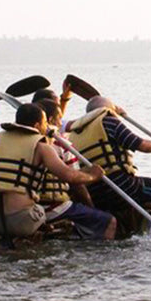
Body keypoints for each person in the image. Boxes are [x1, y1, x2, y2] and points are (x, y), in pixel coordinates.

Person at [67, 96, 151, 225]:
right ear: (107, 109)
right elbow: (141, 145)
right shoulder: (108, 121)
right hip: (122, 185)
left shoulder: (74, 134)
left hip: (96, 194)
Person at [0, 104, 104, 238]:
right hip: (21, 221)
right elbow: (69, 176)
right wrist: (93, 175)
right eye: (45, 123)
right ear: (37, 125)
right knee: (41, 209)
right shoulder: (42, 147)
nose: (47, 127)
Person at [34, 99, 117, 240]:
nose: (61, 123)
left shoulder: (25, 143)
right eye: (59, 119)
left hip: (31, 207)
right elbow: (77, 185)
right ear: (50, 120)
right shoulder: (61, 144)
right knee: (108, 221)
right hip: (53, 209)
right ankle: (102, 255)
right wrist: (92, 208)